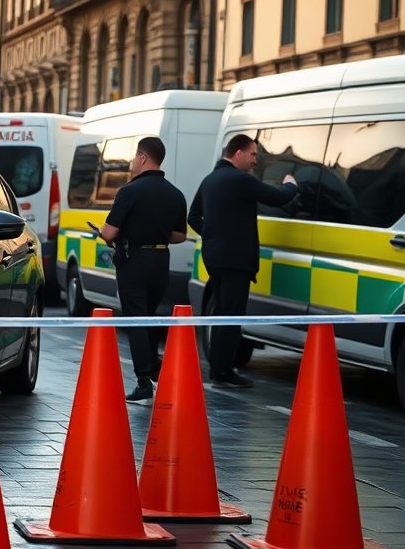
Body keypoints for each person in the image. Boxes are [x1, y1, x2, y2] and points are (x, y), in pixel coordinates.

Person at [187, 134, 298, 388]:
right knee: (231, 315)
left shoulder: (210, 180)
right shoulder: (240, 180)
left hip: (214, 258)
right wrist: (291, 185)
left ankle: (218, 368)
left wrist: (213, 235)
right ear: (238, 153)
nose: (255, 161)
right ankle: (223, 371)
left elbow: (193, 217)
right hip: (236, 260)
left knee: (221, 314)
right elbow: (278, 198)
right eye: (253, 154)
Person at [99, 137, 187, 404]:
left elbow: (109, 232)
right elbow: (180, 236)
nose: (133, 163)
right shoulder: (175, 193)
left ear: (143, 157)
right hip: (161, 261)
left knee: (136, 320)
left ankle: (143, 381)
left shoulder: (129, 191)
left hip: (134, 261)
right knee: (148, 317)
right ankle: (154, 366)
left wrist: (118, 235)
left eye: (135, 158)